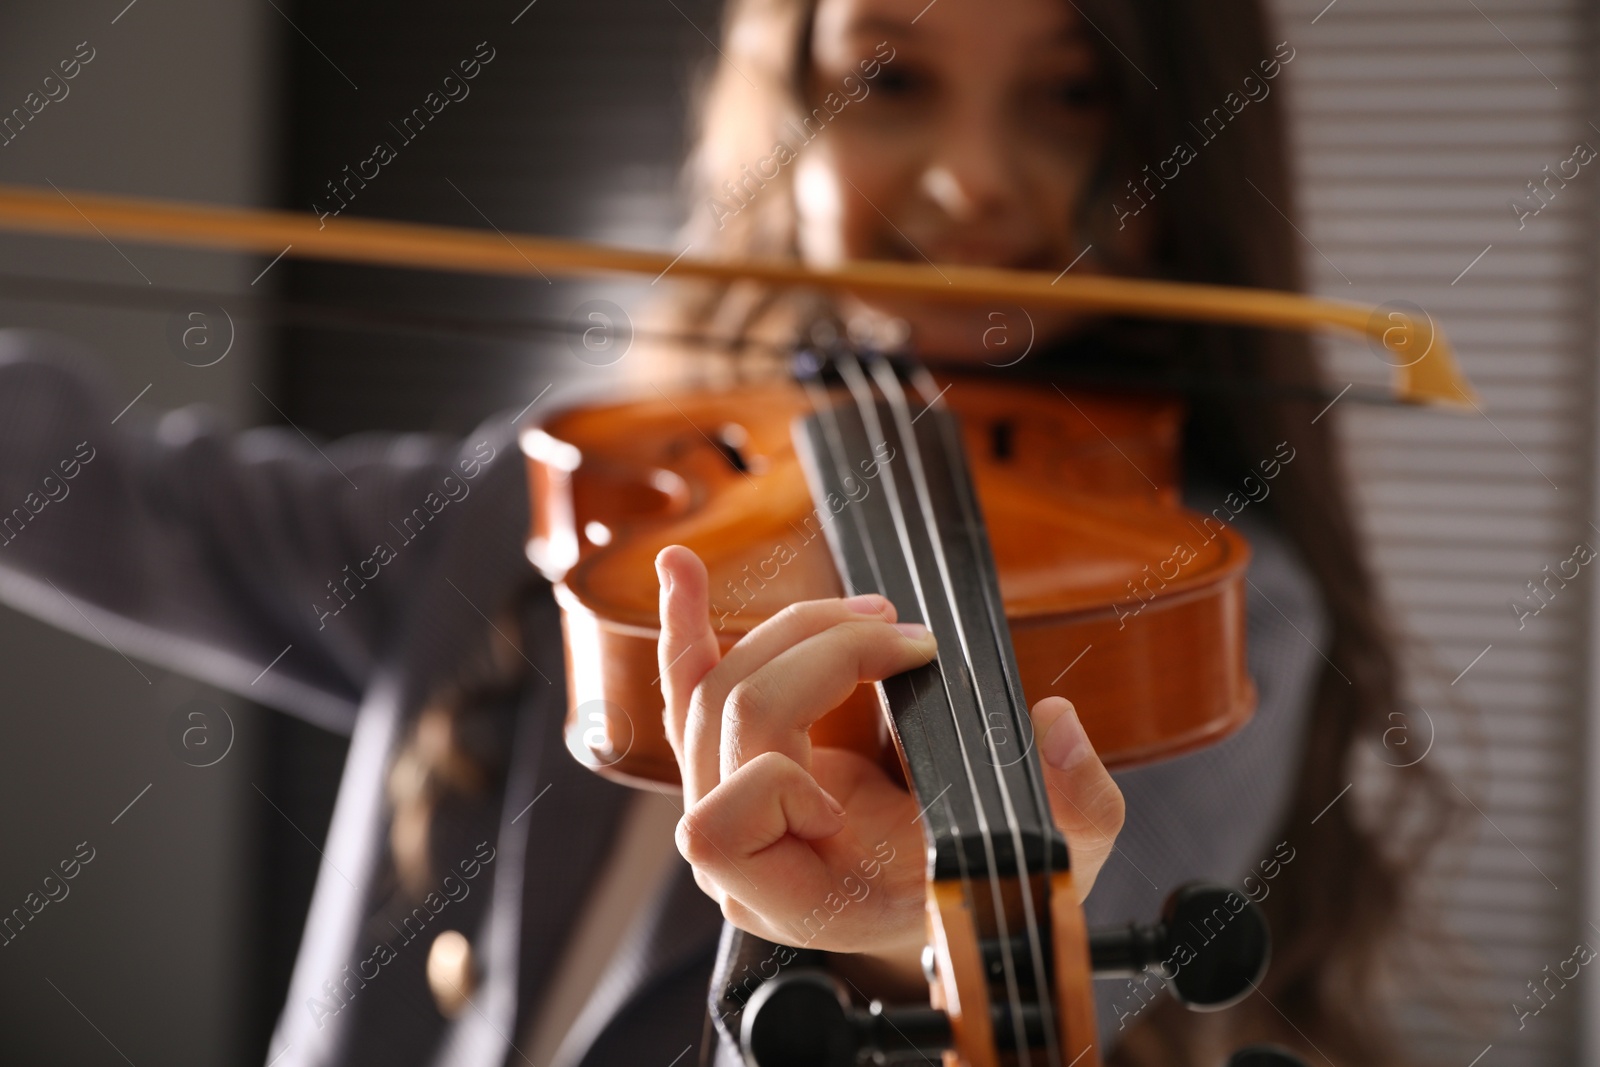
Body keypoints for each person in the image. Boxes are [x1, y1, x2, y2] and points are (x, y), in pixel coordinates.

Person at [0, 2, 1446, 1067]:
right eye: (889, 78)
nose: (970, 181)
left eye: (1070, 95)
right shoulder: (586, 487)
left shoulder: (1199, 598)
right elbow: (96, 494)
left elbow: (1072, 955)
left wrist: (892, 932)